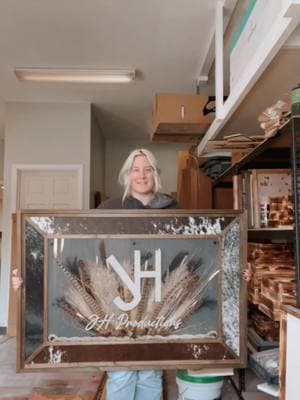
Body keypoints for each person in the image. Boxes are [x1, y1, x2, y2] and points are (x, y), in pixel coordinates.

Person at [98, 148, 178, 400]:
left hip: (157, 297)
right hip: (119, 298)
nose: (142, 175)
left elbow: (192, 250)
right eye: (135, 170)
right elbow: (88, 249)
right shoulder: (108, 209)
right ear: (127, 175)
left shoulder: (173, 208)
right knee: (121, 372)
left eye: (148, 169)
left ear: (155, 174)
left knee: (151, 372)